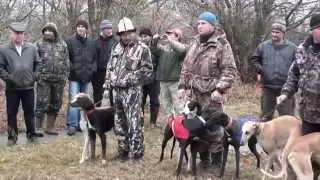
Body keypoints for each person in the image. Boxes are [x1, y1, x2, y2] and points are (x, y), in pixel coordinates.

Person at [178, 12, 237, 175]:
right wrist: (182, 86)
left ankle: (216, 163)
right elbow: (186, 67)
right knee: (195, 126)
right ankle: (204, 160)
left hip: (212, 95)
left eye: (203, 23)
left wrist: (220, 89)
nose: (199, 26)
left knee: (214, 128)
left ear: (212, 25)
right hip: (194, 94)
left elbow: (230, 70)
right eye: (198, 23)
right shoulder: (195, 43)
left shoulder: (221, 44)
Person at [104, 17, 153, 161]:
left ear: (133, 32)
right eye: (123, 34)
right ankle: (123, 151)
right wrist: (108, 85)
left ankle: (137, 153)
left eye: (129, 33)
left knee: (134, 123)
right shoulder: (116, 47)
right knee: (119, 122)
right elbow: (110, 67)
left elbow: (148, 71)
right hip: (116, 91)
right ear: (119, 35)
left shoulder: (142, 49)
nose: (127, 36)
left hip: (132, 92)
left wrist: (130, 79)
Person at [0, 22, 43, 145]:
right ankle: (12, 138)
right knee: (11, 113)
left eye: (21, 34)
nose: (18, 36)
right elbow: (0, 68)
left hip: (28, 87)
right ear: (11, 34)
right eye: (16, 33)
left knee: (29, 112)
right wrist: (9, 78)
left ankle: (32, 135)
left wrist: (34, 77)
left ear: (24, 35)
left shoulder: (32, 48)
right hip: (12, 88)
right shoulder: (3, 50)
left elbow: (38, 64)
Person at [277, 14, 320, 135]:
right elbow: (294, 75)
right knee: (307, 148)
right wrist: (285, 93)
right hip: (307, 113)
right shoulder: (302, 49)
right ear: (312, 30)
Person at [251, 19, 296, 121]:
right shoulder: (263, 46)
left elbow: (298, 67)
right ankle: (266, 137)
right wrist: (261, 70)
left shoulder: (293, 48)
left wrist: (293, 83)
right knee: (265, 118)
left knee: (287, 119)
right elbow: (254, 59)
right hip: (268, 88)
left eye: (277, 32)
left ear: (283, 33)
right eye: (273, 32)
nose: (274, 34)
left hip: (286, 90)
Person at [34, 22, 70, 135]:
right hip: (43, 79)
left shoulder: (63, 44)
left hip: (59, 80)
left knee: (56, 103)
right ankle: (37, 128)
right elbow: (34, 62)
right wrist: (38, 76)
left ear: (55, 32)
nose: (48, 32)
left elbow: (67, 61)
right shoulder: (38, 44)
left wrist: (65, 77)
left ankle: (49, 127)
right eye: (46, 30)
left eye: (50, 30)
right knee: (41, 103)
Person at [65, 19, 97, 136]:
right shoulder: (70, 41)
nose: (80, 28)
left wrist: (92, 70)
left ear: (86, 29)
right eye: (78, 26)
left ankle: (80, 124)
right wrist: (73, 69)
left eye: (82, 27)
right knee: (74, 101)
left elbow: (94, 60)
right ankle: (72, 125)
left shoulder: (91, 43)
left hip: (86, 77)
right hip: (74, 77)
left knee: (83, 103)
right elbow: (67, 59)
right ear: (76, 28)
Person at [152, 28, 186, 120]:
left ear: (178, 36)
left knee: (178, 105)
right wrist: (154, 41)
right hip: (163, 81)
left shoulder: (182, 47)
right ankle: (171, 125)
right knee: (166, 105)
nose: (168, 35)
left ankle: (181, 125)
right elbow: (154, 50)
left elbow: (182, 50)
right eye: (168, 34)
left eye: (171, 34)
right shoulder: (163, 48)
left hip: (175, 81)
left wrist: (170, 40)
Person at [139, 27, 160, 128]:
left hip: (154, 79)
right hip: (141, 79)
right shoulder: (137, 48)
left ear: (150, 37)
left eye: (145, 36)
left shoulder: (155, 47)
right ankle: (140, 121)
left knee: (154, 101)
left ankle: (153, 122)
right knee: (140, 101)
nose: (143, 38)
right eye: (141, 36)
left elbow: (158, 59)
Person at [93, 19, 117, 107]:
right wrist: (94, 70)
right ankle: (97, 117)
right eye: (107, 28)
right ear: (102, 29)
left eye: (110, 28)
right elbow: (93, 58)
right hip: (98, 74)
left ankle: (113, 118)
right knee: (97, 97)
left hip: (112, 74)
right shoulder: (95, 42)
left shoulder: (116, 42)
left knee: (113, 97)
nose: (109, 30)